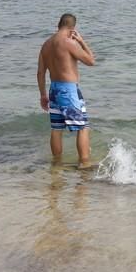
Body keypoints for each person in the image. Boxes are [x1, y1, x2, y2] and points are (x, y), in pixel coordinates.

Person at [37, 13, 96, 168]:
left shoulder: (46, 44)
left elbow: (40, 72)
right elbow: (91, 61)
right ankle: (84, 163)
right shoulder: (69, 43)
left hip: (54, 89)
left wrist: (43, 94)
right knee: (83, 127)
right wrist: (82, 41)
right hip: (69, 90)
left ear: (59, 25)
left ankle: (57, 164)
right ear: (72, 29)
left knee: (57, 129)